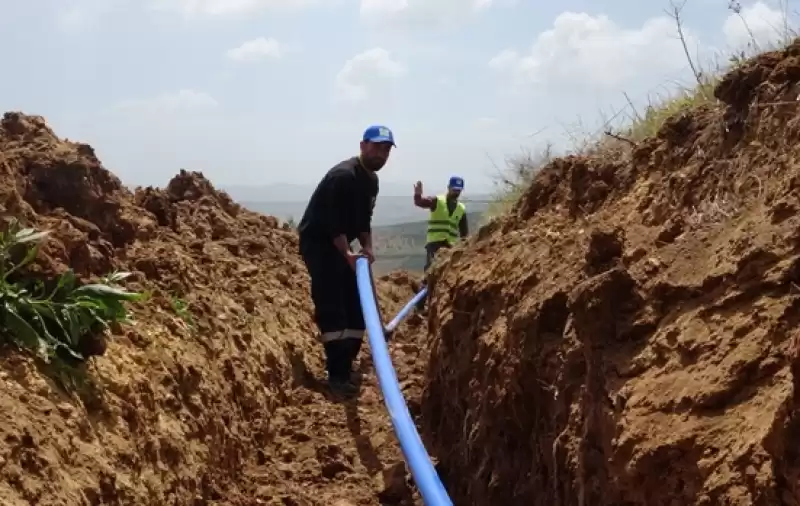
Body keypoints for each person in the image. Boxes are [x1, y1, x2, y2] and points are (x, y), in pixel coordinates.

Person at [297, 125, 395, 397]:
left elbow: (364, 220)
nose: (381, 154)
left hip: (343, 245)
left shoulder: (370, 181)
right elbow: (333, 224)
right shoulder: (343, 177)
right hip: (320, 243)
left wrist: (367, 248)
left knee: (355, 306)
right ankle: (337, 375)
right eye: (376, 147)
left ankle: (346, 364)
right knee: (334, 305)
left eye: (386, 150)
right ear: (363, 146)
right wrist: (347, 255)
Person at [413, 176, 468, 311]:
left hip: (451, 247)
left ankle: (437, 308)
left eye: (459, 190)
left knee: (446, 276)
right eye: (454, 189)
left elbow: (464, 233)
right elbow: (420, 202)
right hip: (435, 244)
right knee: (430, 274)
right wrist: (418, 195)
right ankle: (419, 307)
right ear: (448, 188)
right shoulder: (437, 201)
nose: (456, 192)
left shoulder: (461, 208)